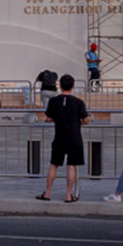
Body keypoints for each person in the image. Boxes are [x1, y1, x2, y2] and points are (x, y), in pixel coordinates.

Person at [42, 74, 89, 202]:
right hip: (74, 137)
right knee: (71, 166)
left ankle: (47, 193)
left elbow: (49, 118)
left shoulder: (53, 101)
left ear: (60, 86)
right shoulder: (78, 102)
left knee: (54, 164)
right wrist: (79, 122)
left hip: (59, 136)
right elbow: (85, 119)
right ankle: (68, 195)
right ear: (73, 86)